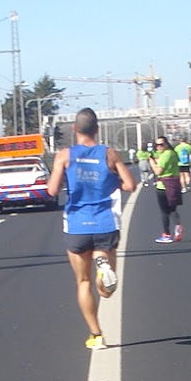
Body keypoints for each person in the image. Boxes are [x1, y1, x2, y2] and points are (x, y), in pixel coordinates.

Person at [47, 107, 137, 350]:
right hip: (105, 223)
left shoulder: (64, 156)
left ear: (74, 129)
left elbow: (52, 190)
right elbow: (130, 185)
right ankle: (102, 269)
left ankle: (96, 335)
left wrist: (66, 179)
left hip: (77, 224)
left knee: (83, 282)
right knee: (106, 291)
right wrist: (112, 182)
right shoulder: (109, 154)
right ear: (97, 129)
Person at [148, 136, 185, 243]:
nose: (158, 147)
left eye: (161, 145)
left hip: (163, 186)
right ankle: (178, 226)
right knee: (172, 209)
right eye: (156, 145)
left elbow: (158, 171)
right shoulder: (172, 154)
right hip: (174, 184)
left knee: (164, 211)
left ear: (166, 144)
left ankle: (166, 234)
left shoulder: (166, 155)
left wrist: (151, 162)